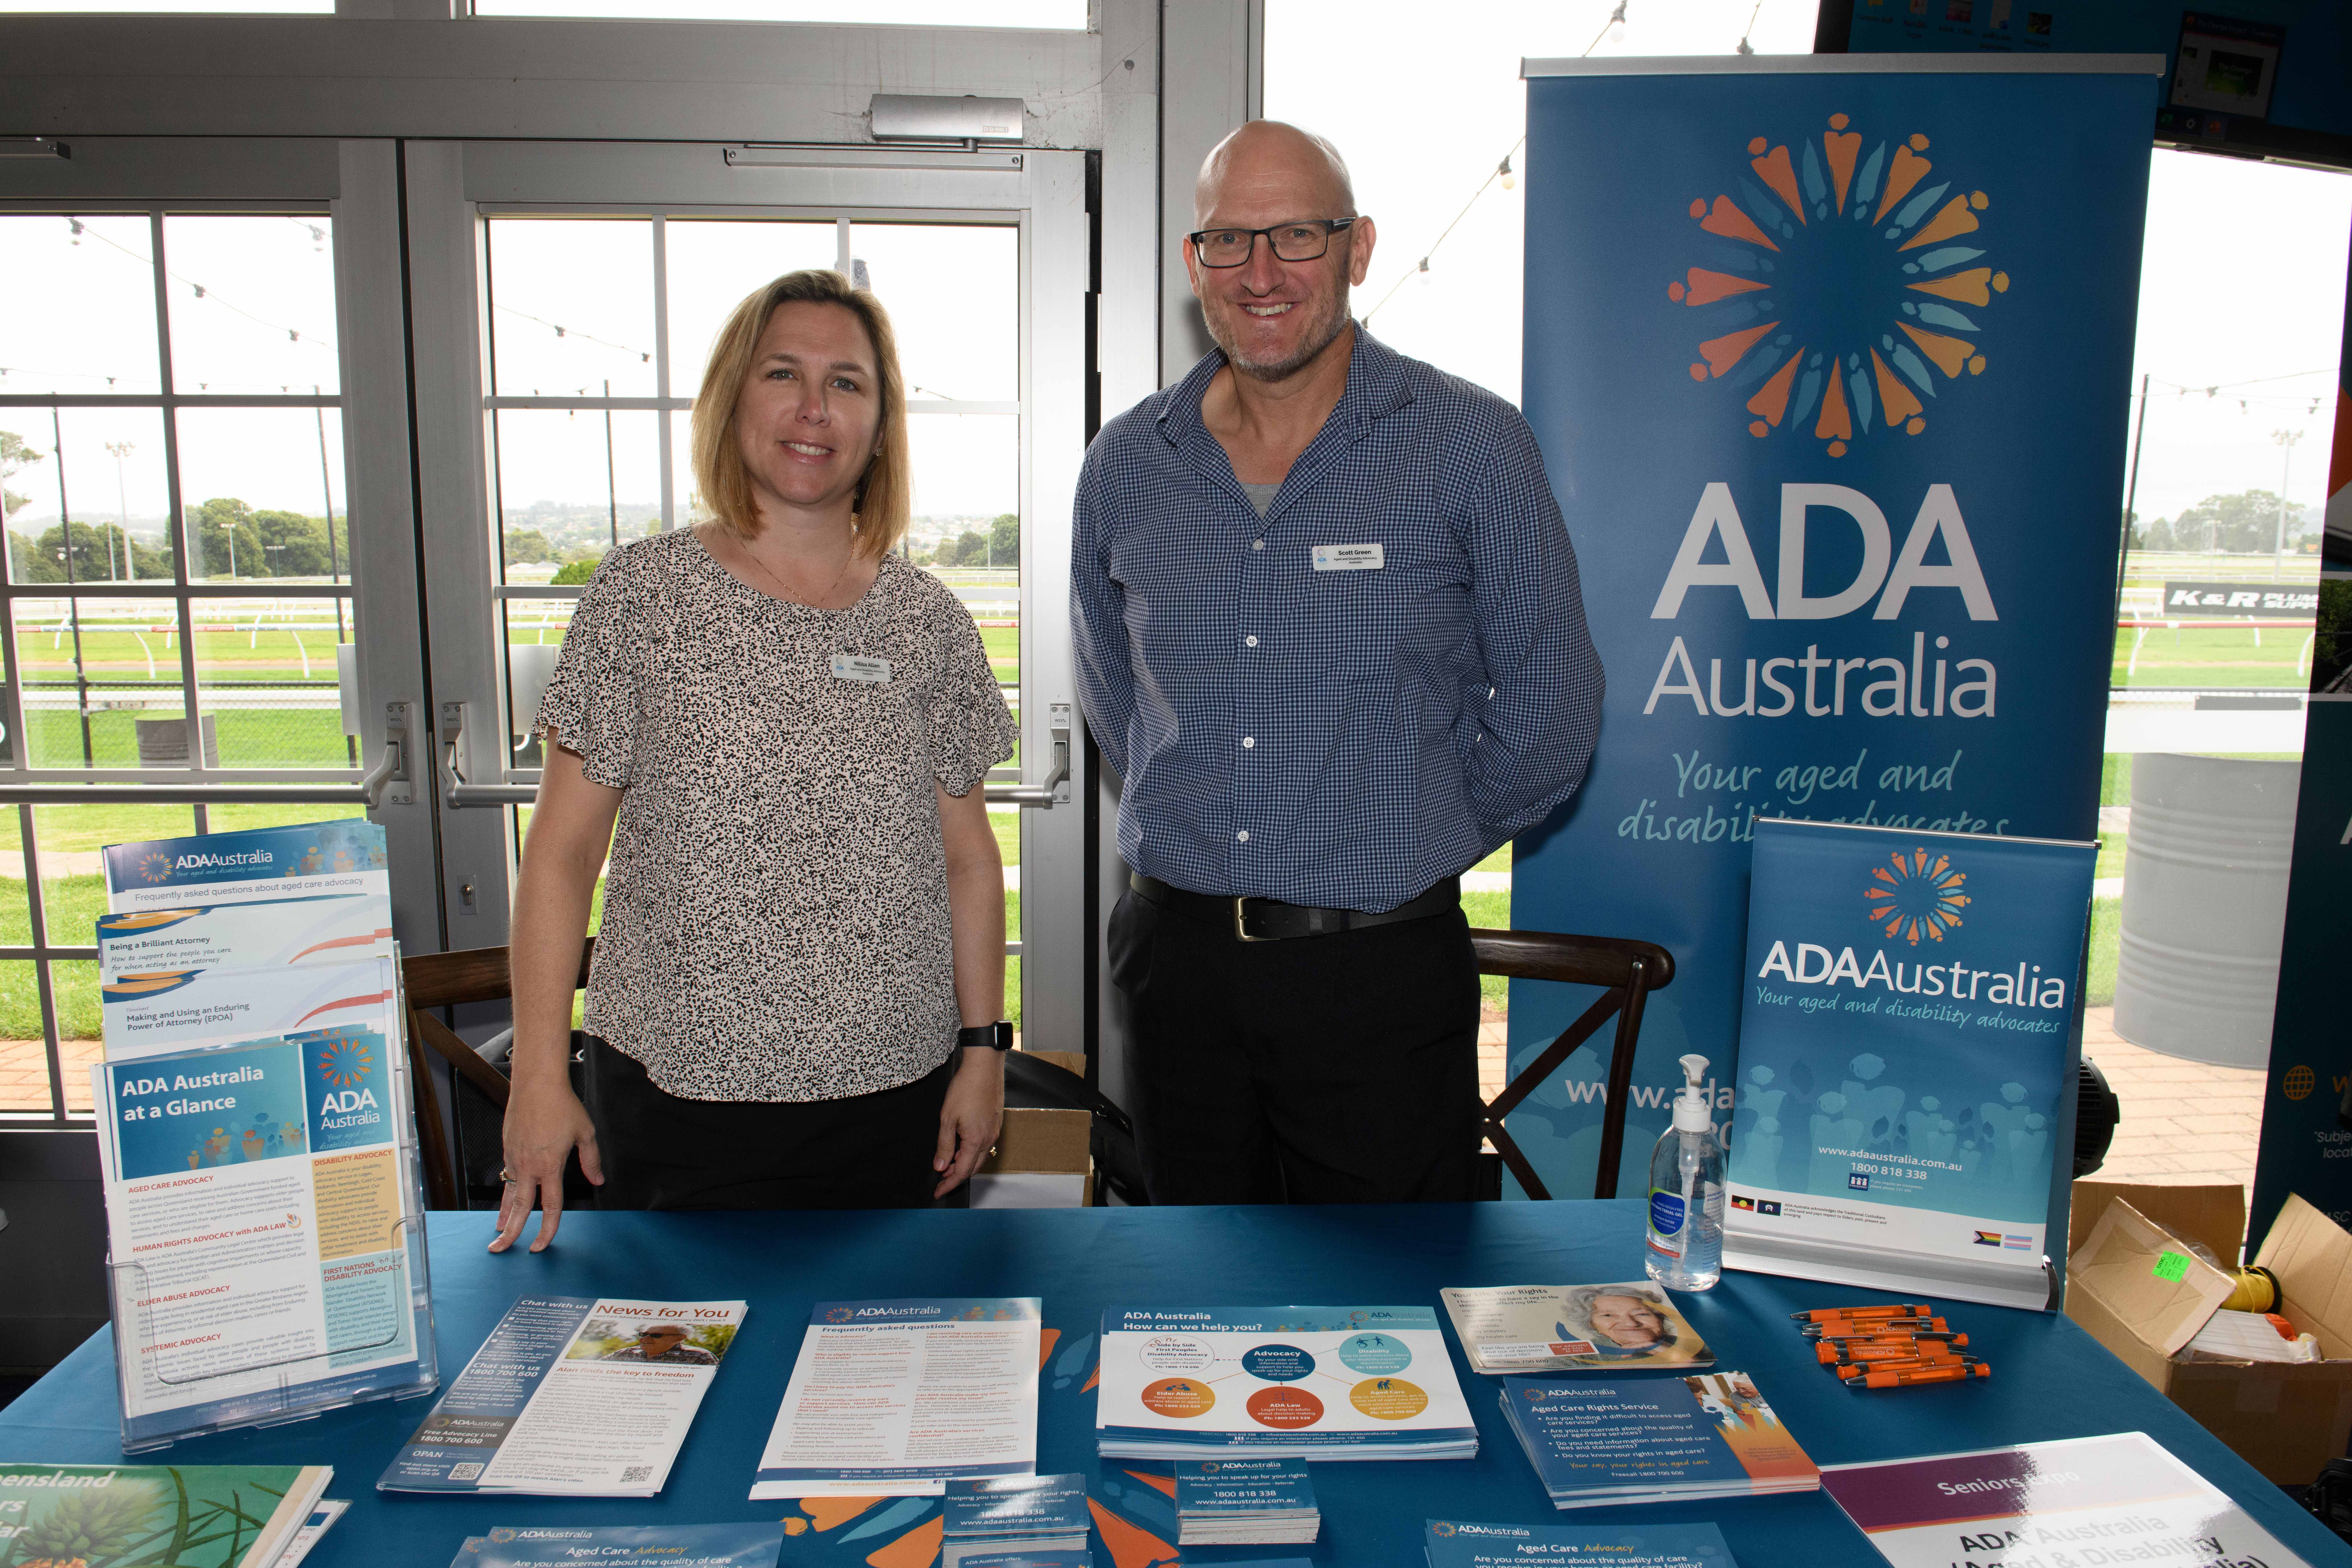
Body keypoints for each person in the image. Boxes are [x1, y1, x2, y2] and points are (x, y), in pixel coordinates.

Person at [1071, 121, 1603, 1206]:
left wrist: (1405, 830)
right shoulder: (1126, 463)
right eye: (1229, 241)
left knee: (1389, 1327)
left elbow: (1550, 712)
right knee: (1194, 1317)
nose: (1260, 273)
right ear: (1193, 261)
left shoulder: (1468, 443)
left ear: (1356, 249)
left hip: (1380, 976)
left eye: (1296, 237)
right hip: (1177, 973)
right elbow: (1115, 698)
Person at [491, 267, 1017, 1252]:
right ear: (735, 399)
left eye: (847, 383)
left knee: (865, 1384)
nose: (814, 408)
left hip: (893, 1093)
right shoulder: (642, 597)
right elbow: (560, 857)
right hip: (678, 1097)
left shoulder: (927, 620)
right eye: (784, 373)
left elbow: (967, 857)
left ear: (879, 421)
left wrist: (983, 1052)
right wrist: (538, 1075)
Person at [600, 1324, 716, 1364]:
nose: (646, 1338)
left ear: (679, 1338)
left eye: (656, 1335)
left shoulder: (700, 1357)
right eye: (643, 1334)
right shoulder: (623, 1354)